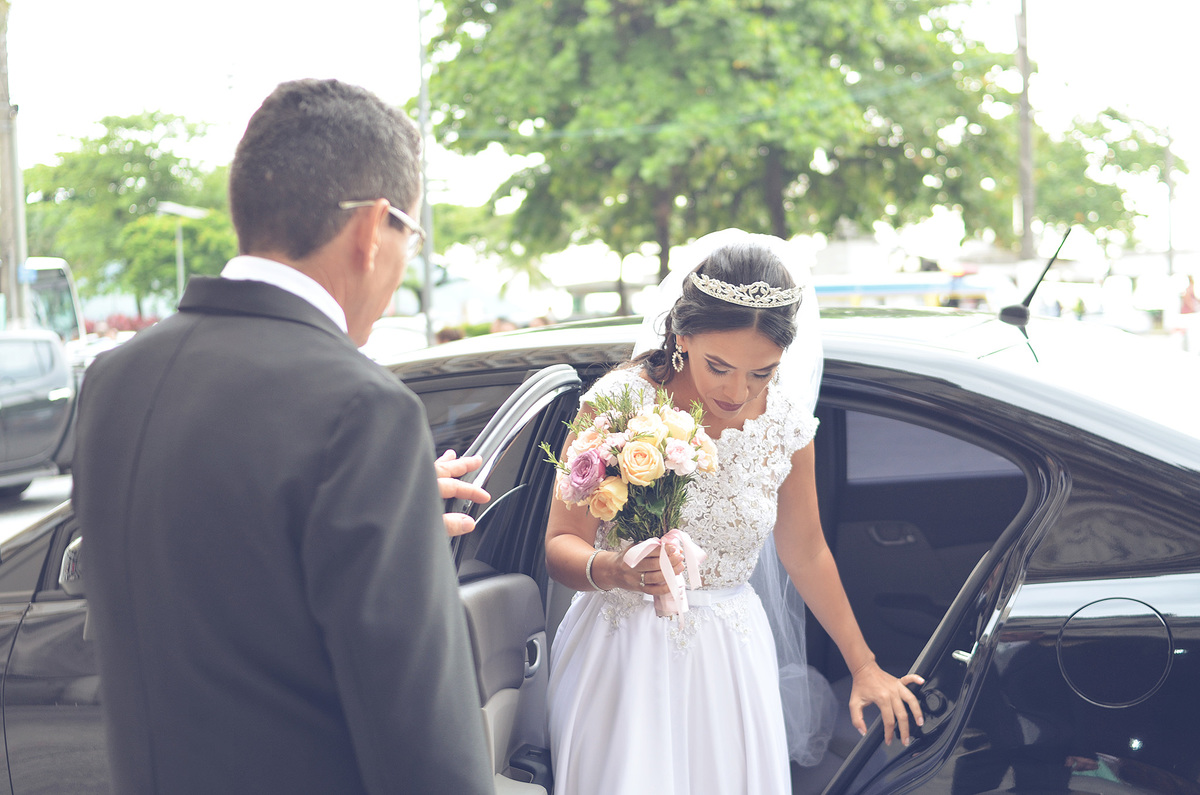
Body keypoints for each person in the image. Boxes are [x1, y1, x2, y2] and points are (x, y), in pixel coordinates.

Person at [72, 79, 493, 794]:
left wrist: (373, 506)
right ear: (373, 229)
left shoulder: (116, 379)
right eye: (413, 235)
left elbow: (219, 573)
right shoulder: (363, 411)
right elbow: (425, 747)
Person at [545, 229, 924, 794]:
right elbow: (559, 543)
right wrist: (616, 570)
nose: (738, 391)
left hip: (730, 654)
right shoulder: (618, 405)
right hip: (622, 651)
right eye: (718, 366)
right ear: (682, 335)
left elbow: (806, 550)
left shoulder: (786, 425)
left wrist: (864, 665)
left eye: (761, 372)